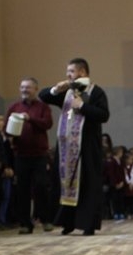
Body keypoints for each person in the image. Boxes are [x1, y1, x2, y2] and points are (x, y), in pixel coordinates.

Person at [39, 57, 109, 235]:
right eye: (67, 71)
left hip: (87, 149)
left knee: (87, 184)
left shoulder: (96, 92)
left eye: (71, 71)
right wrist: (56, 89)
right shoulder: (66, 92)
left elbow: (104, 115)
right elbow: (43, 96)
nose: (68, 74)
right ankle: (67, 222)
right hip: (66, 149)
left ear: (82, 72)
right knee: (66, 184)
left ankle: (88, 224)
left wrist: (83, 106)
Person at [5, 77, 53, 233]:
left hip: (39, 154)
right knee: (22, 189)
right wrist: (11, 131)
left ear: (35, 89)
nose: (24, 90)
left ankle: (45, 219)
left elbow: (47, 124)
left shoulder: (43, 107)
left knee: (41, 186)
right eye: (22, 87)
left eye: (28, 87)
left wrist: (30, 119)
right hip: (21, 154)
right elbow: (6, 128)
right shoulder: (14, 107)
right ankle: (25, 223)